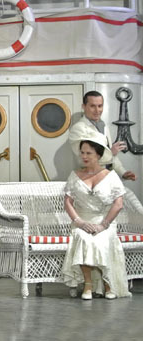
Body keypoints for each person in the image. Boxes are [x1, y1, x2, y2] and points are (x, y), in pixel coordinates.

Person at [62, 135, 130, 300]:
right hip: (82, 222)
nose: (84, 156)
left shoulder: (111, 176)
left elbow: (118, 204)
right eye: (82, 152)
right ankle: (88, 284)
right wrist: (79, 222)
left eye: (89, 153)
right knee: (83, 237)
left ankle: (108, 284)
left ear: (98, 155)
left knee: (100, 240)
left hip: (105, 222)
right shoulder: (75, 175)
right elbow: (68, 202)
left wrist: (103, 225)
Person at [68, 91, 136, 181]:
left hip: (107, 177)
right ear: (83, 106)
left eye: (100, 106)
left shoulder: (104, 126)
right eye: (92, 106)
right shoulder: (78, 129)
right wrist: (111, 153)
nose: (97, 110)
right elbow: (84, 159)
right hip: (90, 178)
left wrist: (123, 172)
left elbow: (111, 154)